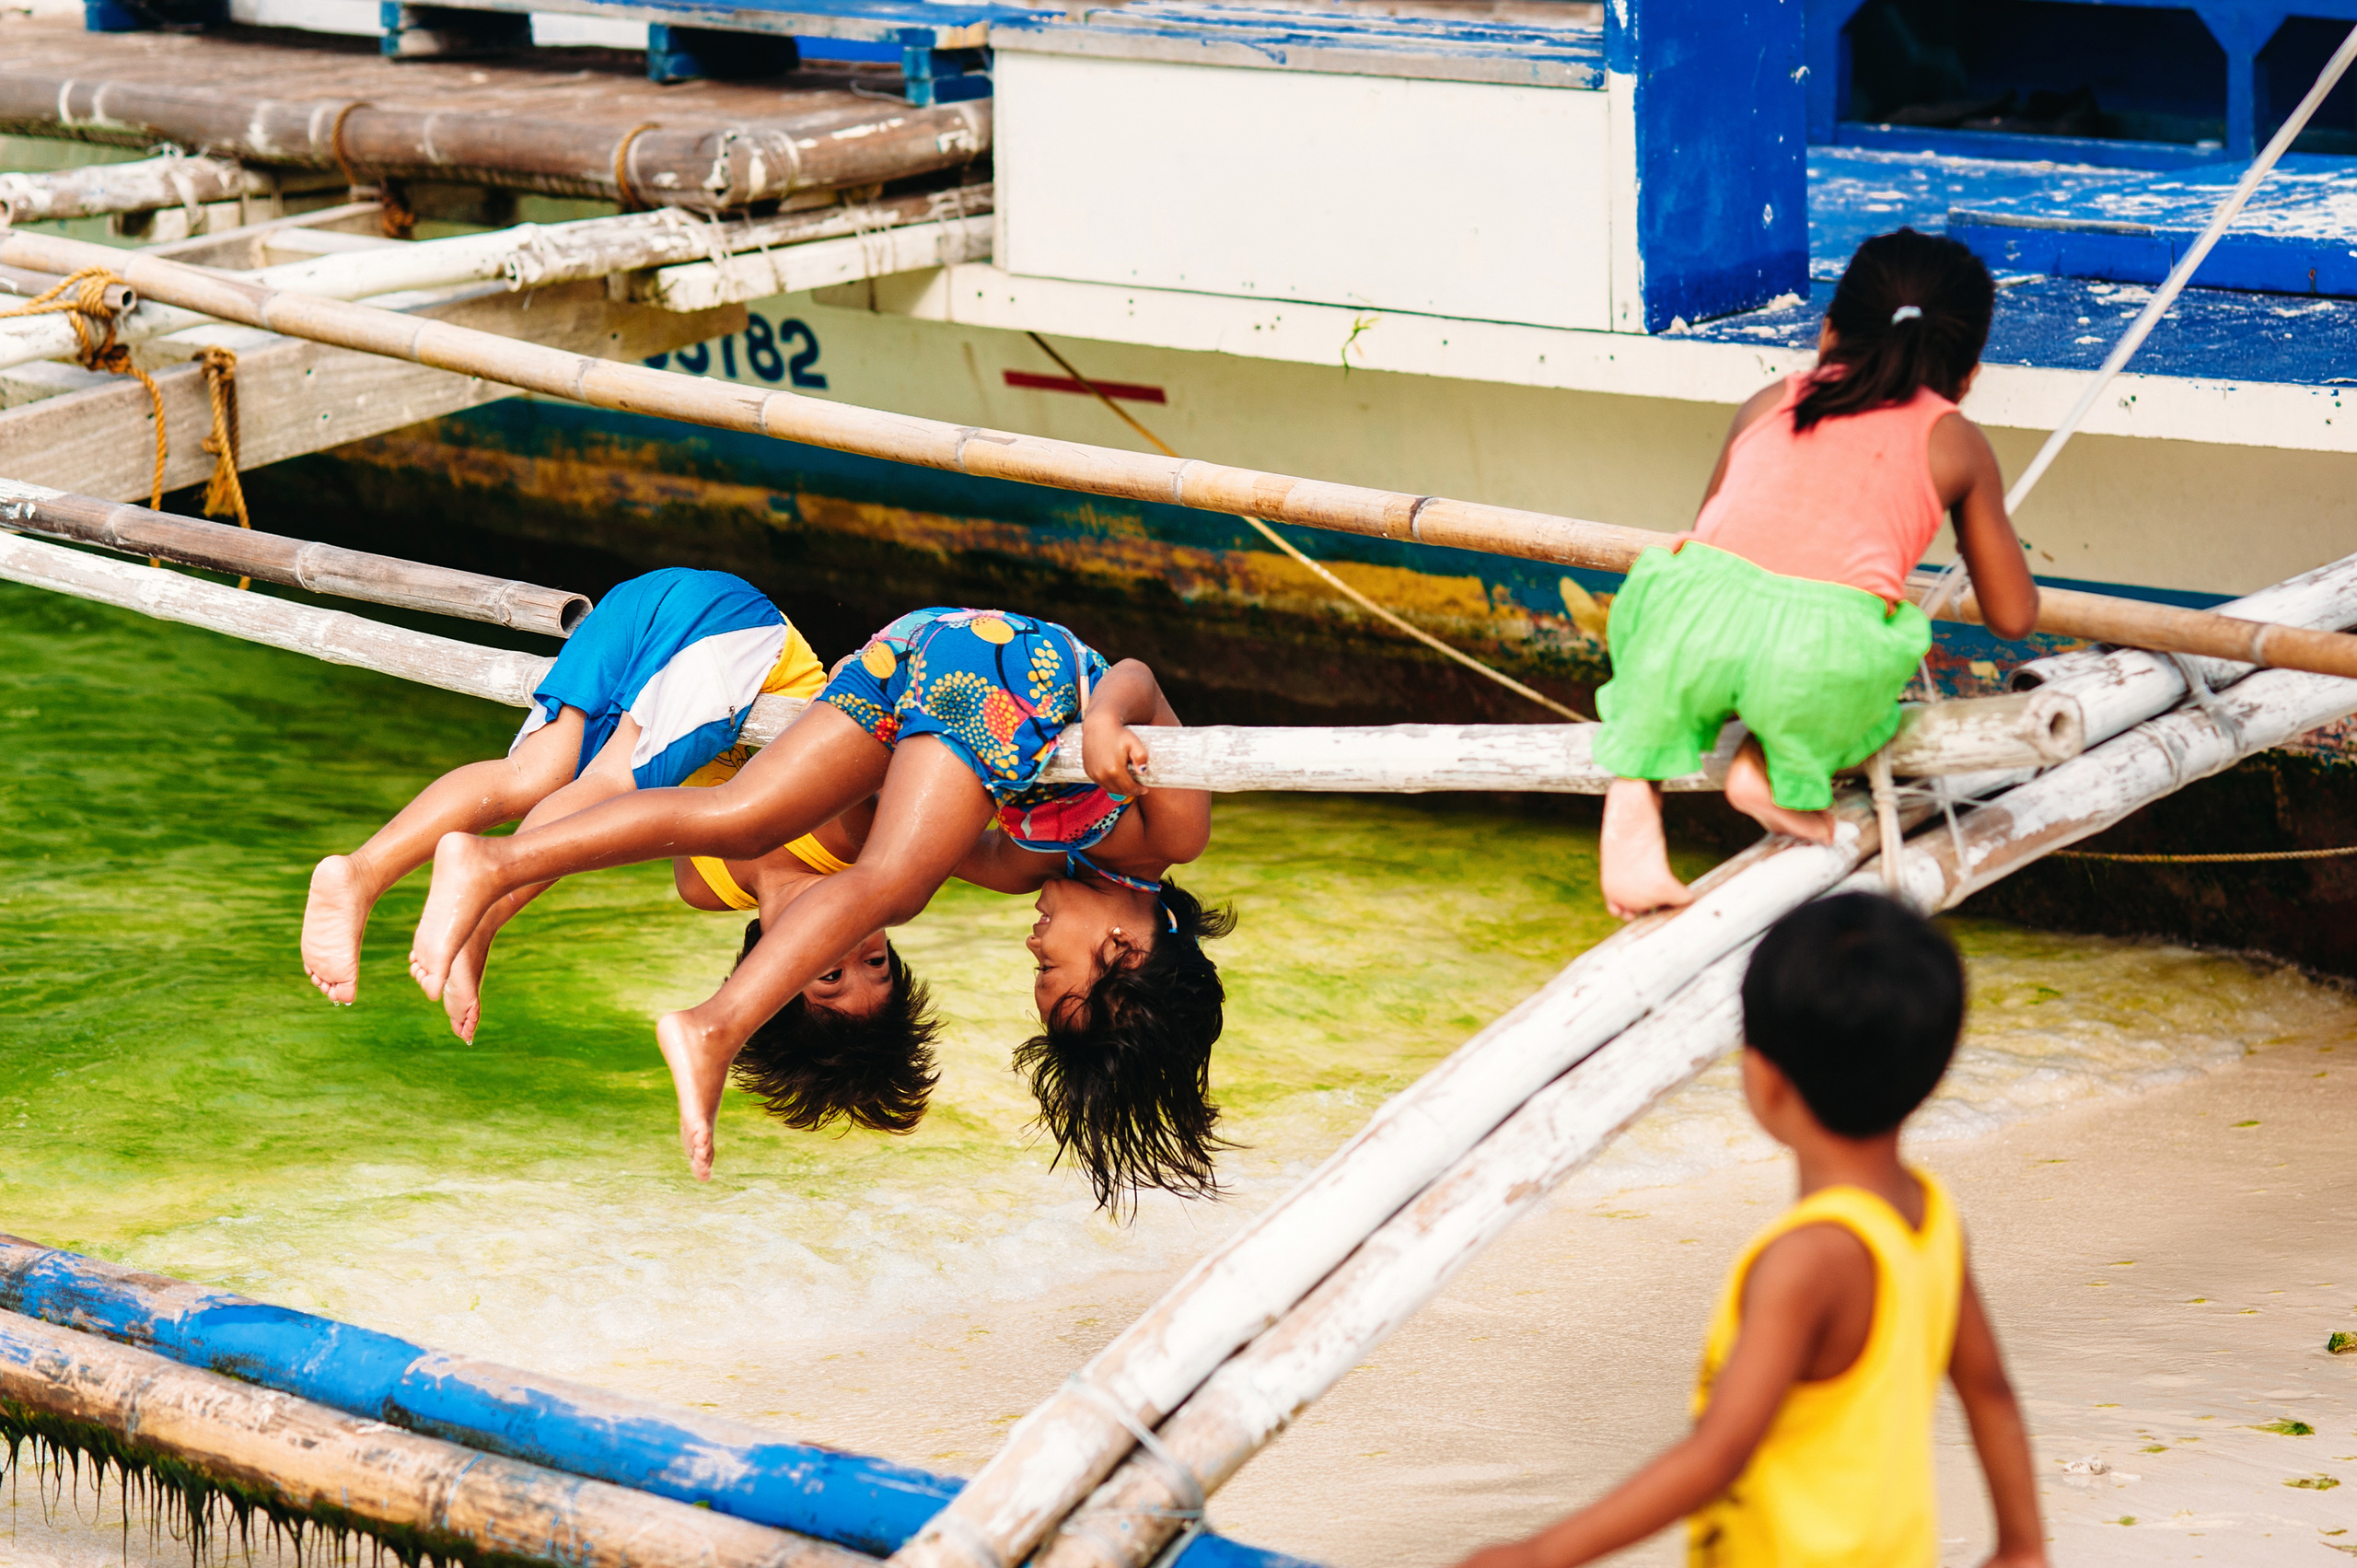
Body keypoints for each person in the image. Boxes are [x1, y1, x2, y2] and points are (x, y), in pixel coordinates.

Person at [406, 606, 1227, 1207]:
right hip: (1011, 667)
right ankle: (716, 1026)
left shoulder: (1023, 869)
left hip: (907, 653)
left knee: (742, 814)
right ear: (1126, 948)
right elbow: (1139, 677)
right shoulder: (1172, 831)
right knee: (892, 885)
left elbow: (910, 842)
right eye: (1051, 965)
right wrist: (1105, 723)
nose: (1032, 945)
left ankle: (493, 860)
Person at [1452, 892, 2046, 1568]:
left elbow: (1719, 1453)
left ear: (1764, 1080)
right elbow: (1989, 1386)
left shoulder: (1808, 1259)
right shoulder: (1929, 1216)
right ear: (1931, 1073)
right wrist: (2022, 1545)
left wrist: (1538, 1553)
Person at [1595, 229, 2041, 920]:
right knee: (1868, 650)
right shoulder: (1954, 440)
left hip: (1683, 618)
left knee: (1689, 638)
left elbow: (1713, 546)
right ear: (1969, 373)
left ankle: (1634, 788)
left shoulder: (1771, 400)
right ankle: (1769, 767)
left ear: (1829, 331)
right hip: (1815, 655)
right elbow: (2012, 615)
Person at [299, 566, 827, 1013]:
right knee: (612, 785)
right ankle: (479, 911)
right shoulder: (850, 843)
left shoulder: (709, 887)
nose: (837, 940)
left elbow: (621, 827)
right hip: (736, 627)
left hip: (645, 601)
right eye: (873, 962)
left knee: (532, 773)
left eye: (826, 976)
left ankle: (360, 873)